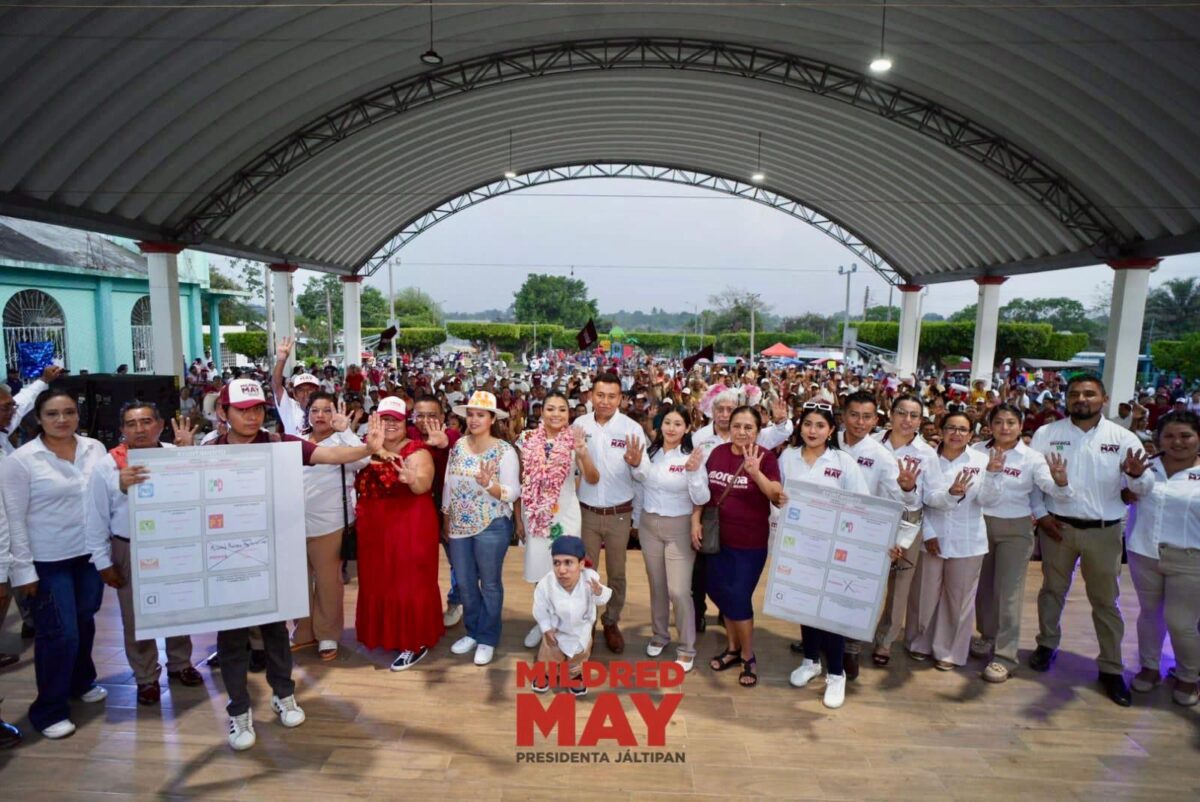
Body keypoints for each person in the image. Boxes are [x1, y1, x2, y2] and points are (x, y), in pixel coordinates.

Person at [199, 378, 385, 750]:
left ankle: (283, 694)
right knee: (232, 638)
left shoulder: (279, 443)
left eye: (257, 409)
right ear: (224, 412)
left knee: (275, 631)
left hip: (271, 554)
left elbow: (328, 456)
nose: (252, 417)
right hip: (227, 558)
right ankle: (239, 711)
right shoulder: (208, 450)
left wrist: (367, 447)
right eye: (242, 410)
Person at [1029, 374, 1151, 707]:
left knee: (1106, 601)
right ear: (1066, 398)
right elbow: (1032, 480)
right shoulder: (1047, 434)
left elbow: (1143, 487)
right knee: (1052, 591)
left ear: (1104, 399)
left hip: (1104, 530)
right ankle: (1046, 644)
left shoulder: (1123, 438)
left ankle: (1111, 667)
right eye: (1074, 394)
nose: (1081, 399)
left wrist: (1136, 476)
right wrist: (1041, 515)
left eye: (1089, 394)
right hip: (1057, 528)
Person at [1, 388, 108, 740]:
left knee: (84, 619)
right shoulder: (22, 460)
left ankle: (81, 681)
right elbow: (14, 519)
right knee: (60, 633)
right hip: (48, 561)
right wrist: (23, 571)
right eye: (52, 414)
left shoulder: (94, 448)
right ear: (38, 418)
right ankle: (48, 710)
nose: (62, 420)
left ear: (78, 414)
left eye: (69, 412)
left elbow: (104, 499)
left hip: (89, 555)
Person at [83, 402, 205, 706]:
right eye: (131, 424)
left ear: (160, 425)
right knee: (135, 615)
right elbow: (95, 517)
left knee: (179, 606)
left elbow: (199, 493)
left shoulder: (176, 453)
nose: (139, 429)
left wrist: (190, 455)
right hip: (129, 546)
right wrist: (103, 562)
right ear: (122, 429)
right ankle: (145, 676)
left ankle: (180, 663)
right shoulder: (108, 465)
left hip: (174, 542)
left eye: (147, 421)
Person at [789, 390, 917, 676]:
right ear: (843, 417)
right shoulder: (827, 442)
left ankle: (850, 650)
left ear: (875, 420)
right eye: (854, 415)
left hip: (859, 537)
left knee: (848, 596)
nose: (860, 422)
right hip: (816, 533)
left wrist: (907, 492)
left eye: (867, 417)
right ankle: (815, 646)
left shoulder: (881, 456)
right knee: (812, 591)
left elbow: (897, 501)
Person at [970, 403, 1072, 683]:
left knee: (1009, 593)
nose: (1004, 427)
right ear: (989, 425)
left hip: (1015, 530)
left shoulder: (1032, 457)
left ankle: (1005, 656)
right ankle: (987, 635)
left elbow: (1049, 487)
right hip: (978, 524)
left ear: (1021, 426)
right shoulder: (977, 450)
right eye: (998, 422)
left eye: (1011, 422)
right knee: (983, 589)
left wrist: (1060, 482)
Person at [780, 403, 869, 708]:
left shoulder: (843, 462)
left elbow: (861, 504)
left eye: (820, 425)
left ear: (831, 430)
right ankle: (810, 661)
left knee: (830, 612)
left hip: (834, 548)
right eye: (807, 424)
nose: (812, 430)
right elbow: (778, 497)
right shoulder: (788, 457)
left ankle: (836, 674)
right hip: (798, 546)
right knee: (805, 605)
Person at [904, 412, 1003, 671]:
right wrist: (928, 533)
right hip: (930, 536)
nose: (956, 434)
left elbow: (988, 501)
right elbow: (918, 500)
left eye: (962, 429)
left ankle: (948, 651)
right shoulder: (927, 459)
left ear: (971, 434)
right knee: (924, 594)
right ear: (941, 429)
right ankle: (919, 643)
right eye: (951, 428)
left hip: (967, 540)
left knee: (958, 600)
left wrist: (993, 475)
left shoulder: (982, 461)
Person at [355, 396, 444, 671]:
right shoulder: (366, 448)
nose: (390, 424)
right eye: (385, 419)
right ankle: (386, 634)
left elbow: (423, 484)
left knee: (410, 582)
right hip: (374, 529)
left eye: (396, 420)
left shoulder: (417, 451)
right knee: (379, 580)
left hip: (410, 526)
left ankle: (415, 641)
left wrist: (412, 479)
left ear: (406, 423)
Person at [700, 406, 783, 689]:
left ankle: (748, 656)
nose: (741, 432)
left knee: (738, 598)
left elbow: (776, 496)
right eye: (737, 426)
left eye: (748, 427)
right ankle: (733, 649)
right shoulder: (717, 453)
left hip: (749, 544)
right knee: (720, 593)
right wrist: (695, 522)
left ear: (758, 431)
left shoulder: (766, 457)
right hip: (716, 540)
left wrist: (756, 474)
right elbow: (703, 493)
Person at [1124, 411, 1200, 707]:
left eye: (1185, 436)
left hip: (1190, 557)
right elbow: (1129, 493)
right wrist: (1131, 480)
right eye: (1169, 436)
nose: (1177, 442)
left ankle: (1188, 676)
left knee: (1181, 622)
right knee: (1149, 613)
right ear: (1158, 439)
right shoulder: (1144, 467)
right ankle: (1150, 667)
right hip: (1144, 552)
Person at [628, 406, 709, 672]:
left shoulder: (691, 457)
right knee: (657, 585)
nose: (671, 428)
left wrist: (694, 473)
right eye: (667, 423)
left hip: (679, 527)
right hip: (649, 525)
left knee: (679, 590)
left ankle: (686, 648)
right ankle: (660, 635)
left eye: (678, 424)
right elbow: (640, 485)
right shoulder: (650, 453)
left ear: (687, 428)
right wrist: (636, 521)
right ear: (660, 425)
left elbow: (702, 498)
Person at [443, 391, 520, 667]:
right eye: (471, 414)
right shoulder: (458, 446)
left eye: (481, 415)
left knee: (489, 583)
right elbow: (448, 483)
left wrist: (489, 485)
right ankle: (473, 631)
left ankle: (487, 636)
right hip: (459, 524)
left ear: (492, 419)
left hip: (492, 525)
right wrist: (446, 515)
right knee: (464, 582)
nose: (474, 419)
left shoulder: (504, 451)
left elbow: (513, 492)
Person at [291, 393, 370, 661]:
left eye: (326, 410)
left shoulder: (342, 442)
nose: (320, 416)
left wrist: (345, 431)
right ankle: (303, 631)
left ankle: (327, 634)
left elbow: (363, 460)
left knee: (328, 582)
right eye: (315, 410)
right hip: (294, 525)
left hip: (330, 524)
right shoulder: (297, 440)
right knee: (298, 583)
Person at [871, 395, 947, 667]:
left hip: (907, 524)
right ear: (890, 414)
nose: (907, 420)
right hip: (869, 519)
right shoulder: (872, 443)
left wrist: (914, 489)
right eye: (902, 413)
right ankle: (851, 634)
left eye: (914, 415)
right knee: (863, 579)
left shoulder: (926, 453)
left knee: (900, 585)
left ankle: (885, 640)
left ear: (921, 421)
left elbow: (933, 495)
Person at [575, 372, 646, 653]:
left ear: (621, 399)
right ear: (591, 396)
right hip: (587, 513)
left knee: (617, 573)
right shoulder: (579, 425)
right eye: (600, 395)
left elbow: (643, 475)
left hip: (619, 514)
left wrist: (637, 463)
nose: (605, 401)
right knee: (586, 572)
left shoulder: (631, 428)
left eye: (611, 396)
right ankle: (587, 623)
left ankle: (611, 620)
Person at [514, 392, 589, 649]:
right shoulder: (526, 440)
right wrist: (518, 518)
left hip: (565, 514)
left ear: (569, 414)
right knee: (540, 569)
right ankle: (543, 622)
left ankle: (567, 624)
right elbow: (520, 481)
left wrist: (582, 453)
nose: (556, 414)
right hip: (535, 515)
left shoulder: (575, 440)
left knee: (566, 568)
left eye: (562, 409)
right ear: (541, 411)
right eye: (550, 409)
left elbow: (591, 477)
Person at [529, 536, 612, 696]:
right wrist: (546, 628)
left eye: (568, 562)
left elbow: (602, 600)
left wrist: (598, 592)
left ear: (581, 564)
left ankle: (575, 675)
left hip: (581, 632)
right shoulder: (546, 583)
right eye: (557, 563)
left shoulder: (590, 580)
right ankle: (545, 673)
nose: (562, 570)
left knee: (578, 657)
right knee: (549, 655)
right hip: (555, 632)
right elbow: (540, 607)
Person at [407, 394, 464, 627]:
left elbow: (453, 443)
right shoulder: (407, 434)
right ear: (413, 417)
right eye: (420, 415)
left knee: (457, 560)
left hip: (449, 510)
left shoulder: (452, 436)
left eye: (432, 415)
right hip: (416, 511)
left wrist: (443, 443)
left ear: (442, 417)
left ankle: (456, 601)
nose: (425, 420)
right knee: (417, 561)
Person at [270, 337, 321, 436]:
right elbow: (276, 385)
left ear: (318, 392)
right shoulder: (289, 408)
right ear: (294, 394)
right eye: (301, 390)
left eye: (310, 390)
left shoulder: (325, 411)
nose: (306, 394)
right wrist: (281, 360)